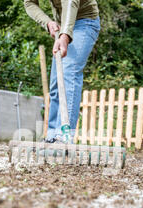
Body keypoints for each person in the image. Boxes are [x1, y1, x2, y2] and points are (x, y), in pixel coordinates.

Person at [24, 0, 100, 143]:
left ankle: (64, 137)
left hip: (85, 21)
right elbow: (29, 3)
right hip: (63, 23)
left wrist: (65, 35)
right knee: (56, 84)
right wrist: (47, 22)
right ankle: (52, 137)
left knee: (68, 73)